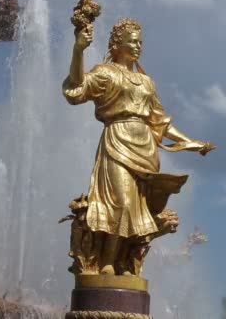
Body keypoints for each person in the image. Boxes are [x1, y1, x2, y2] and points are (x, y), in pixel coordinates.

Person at [62, 18, 214, 276]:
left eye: (140, 41)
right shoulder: (106, 72)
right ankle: (106, 261)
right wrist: (78, 50)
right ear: (117, 43)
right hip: (117, 140)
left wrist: (188, 142)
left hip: (145, 148)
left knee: (137, 208)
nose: (138, 46)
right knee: (119, 203)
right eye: (132, 41)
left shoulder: (146, 82)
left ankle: (124, 261)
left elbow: (159, 121)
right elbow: (77, 89)